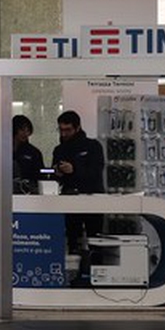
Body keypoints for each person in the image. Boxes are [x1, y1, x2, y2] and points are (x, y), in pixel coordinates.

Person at [53, 110, 106, 270]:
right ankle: (74, 274)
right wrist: (57, 172)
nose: (64, 133)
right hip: (69, 199)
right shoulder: (59, 149)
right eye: (61, 130)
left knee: (95, 238)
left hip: (92, 198)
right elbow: (53, 173)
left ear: (77, 128)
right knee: (72, 238)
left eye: (68, 130)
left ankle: (97, 272)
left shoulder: (93, 146)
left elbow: (96, 171)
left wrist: (74, 169)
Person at [12, 115, 43, 195]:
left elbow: (40, 175)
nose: (25, 134)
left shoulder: (33, 152)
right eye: (22, 130)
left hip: (28, 194)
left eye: (28, 131)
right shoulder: (2, 151)